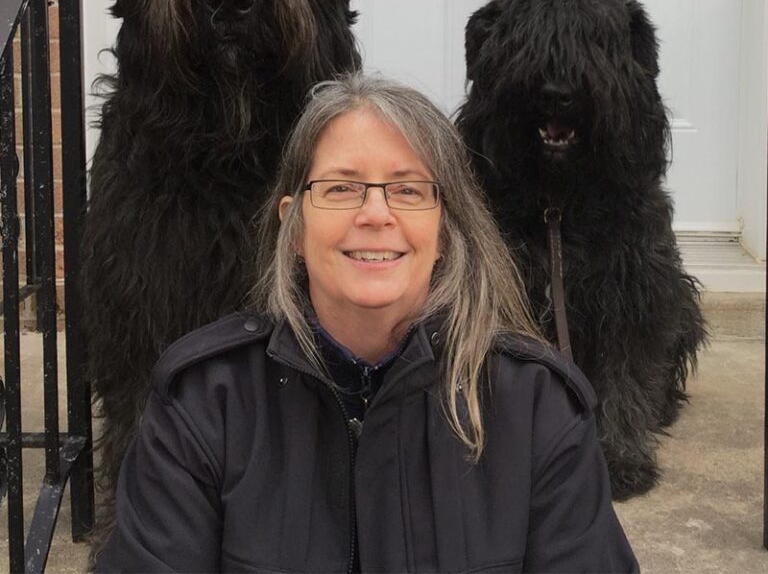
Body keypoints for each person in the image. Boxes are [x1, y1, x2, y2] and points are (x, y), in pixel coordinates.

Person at [97, 73, 638, 573]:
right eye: (341, 188)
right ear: (295, 225)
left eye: (408, 190)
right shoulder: (204, 402)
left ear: (446, 230)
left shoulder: (537, 405)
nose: (376, 214)